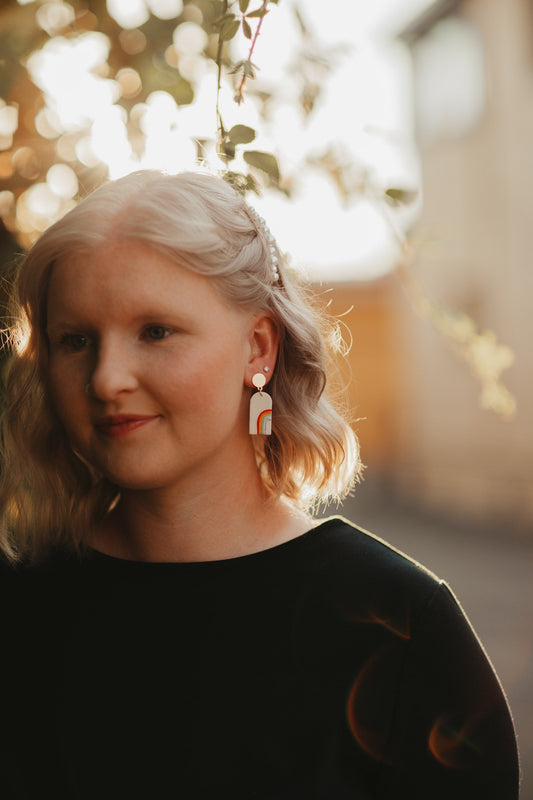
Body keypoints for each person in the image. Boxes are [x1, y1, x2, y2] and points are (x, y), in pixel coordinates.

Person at [0, 170, 519, 799]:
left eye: (155, 331)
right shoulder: (20, 611)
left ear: (258, 348)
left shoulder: (401, 627)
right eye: (75, 340)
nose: (107, 379)